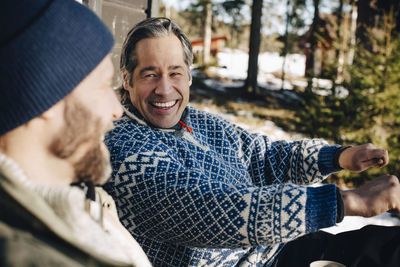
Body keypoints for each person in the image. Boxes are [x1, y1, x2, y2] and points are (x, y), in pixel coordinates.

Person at [104, 17, 400, 267]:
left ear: (189, 77)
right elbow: (218, 211)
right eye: (150, 74)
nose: (165, 89)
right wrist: (349, 202)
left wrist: (339, 157)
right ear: (127, 79)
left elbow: (266, 157)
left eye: (175, 73)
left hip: (282, 248)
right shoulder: (124, 149)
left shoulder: (197, 121)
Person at [0, 0, 152, 266]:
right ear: (44, 95)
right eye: (104, 86)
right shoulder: (28, 255)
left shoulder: (85, 207)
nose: (117, 109)